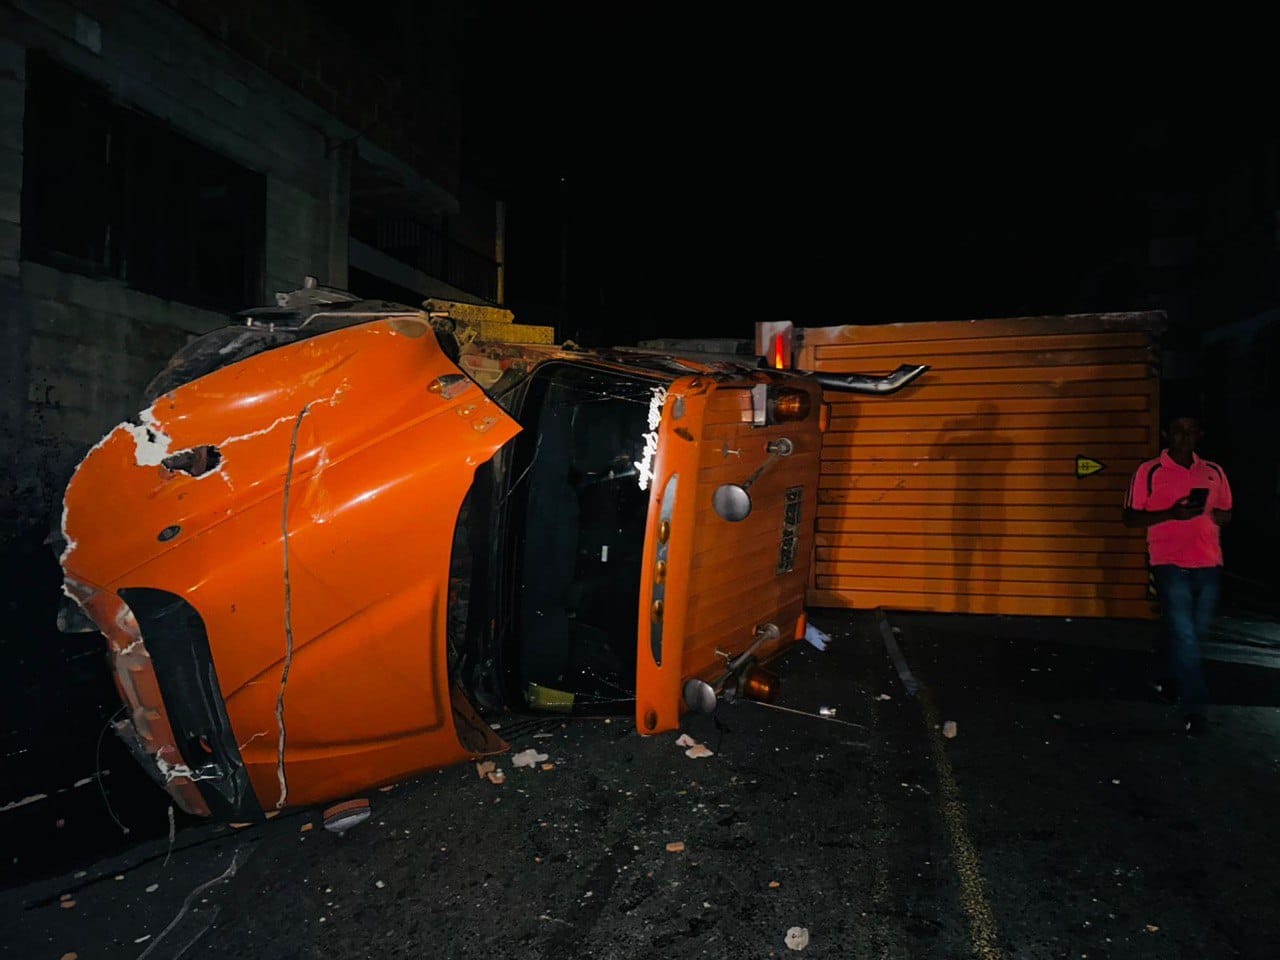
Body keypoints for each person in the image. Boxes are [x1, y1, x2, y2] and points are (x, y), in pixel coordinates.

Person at [1123, 414, 1232, 735]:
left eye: (1190, 431)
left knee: (1190, 633)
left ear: (1200, 435)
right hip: (1169, 563)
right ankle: (1195, 709)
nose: (1184, 437)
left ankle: (1163, 675)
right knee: (1185, 635)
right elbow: (1130, 517)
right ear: (1166, 434)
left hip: (1209, 563)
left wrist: (1224, 517)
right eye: (1178, 431)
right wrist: (1172, 513)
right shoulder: (1149, 471)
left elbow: (1226, 510)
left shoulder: (1214, 472)